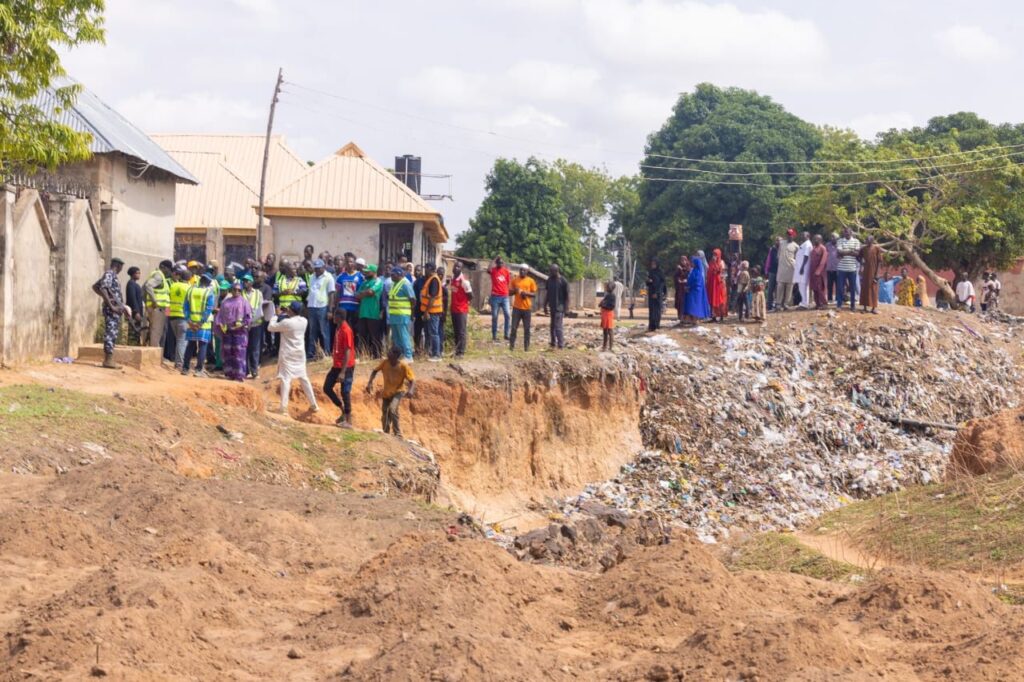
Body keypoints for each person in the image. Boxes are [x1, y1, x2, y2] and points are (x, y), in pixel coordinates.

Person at [268, 301, 319, 414]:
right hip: (300, 354)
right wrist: (287, 313)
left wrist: (276, 315)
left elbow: (270, 327)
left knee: (286, 379)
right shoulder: (304, 321)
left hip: (288, 354)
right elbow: (293, 318)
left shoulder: (287, 322)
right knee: (304, 378)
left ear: (291, 310)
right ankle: (314, 405)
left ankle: (283, 408)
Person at [366, 346, 415, 437]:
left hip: (398, 391)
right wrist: (369, 383)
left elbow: (412, 380)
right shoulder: (385, 363)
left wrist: (411, 390)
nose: (388, 353)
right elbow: (375, 371)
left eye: (390, 352)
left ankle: (398, 433)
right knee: (385, 413)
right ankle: (386, 433)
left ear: (396, 355)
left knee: (392, 409)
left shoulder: (403, 366)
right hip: (386, 392)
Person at [93, 257, 132, 369]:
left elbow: (96, 287)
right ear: (118, 265)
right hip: (112, 310)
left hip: (116, 309)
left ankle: (109, 359)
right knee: (111, 333)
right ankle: (108, 360)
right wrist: (111, 305)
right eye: (121, 267)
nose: (121, 269)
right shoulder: (109, 274)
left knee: (113, 333)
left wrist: (116, 303)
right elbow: (103, 288)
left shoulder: (111, 275)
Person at [214, 281, 252, 382]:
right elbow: (220, 316)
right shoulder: (225, 302)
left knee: (239, 353)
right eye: (234, 289)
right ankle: (230, 373)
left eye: (239, 290)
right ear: (231, 290)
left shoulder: (244, 302)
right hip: (228, 331)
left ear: (241, 291)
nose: (236, 291)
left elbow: (248, 317)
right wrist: (221, 325)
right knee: (228, 352)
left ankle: (239, 375)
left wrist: (241, 325)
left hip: (240, 332)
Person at [325, 307, 356, 427]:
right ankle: (342, 410)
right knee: (327, 387)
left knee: (345, 391)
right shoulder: (338, 328)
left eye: (334, 315)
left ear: (339, 317)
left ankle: (349, 421)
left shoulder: (346, 330)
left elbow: (348, 351)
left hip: (346, 366)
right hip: (337, 365)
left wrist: (343, 372)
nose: (333, 317)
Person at [181, 273, 216, 377]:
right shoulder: (209, 293)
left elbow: (185, 307)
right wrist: (200, 323)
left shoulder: (190, 290)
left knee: (190, 345)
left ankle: (185, 368)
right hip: (203, 325)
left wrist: (189, 321)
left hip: (191, 323)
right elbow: (208, 309)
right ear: (208, 282)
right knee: (203, 346)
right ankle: (198, 370)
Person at [304, 258, 335, 360]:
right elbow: (311, 292)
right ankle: (311, 353)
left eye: (318, 268)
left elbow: (331, 294)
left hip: (323, 307)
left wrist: (330, 310)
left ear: (323, 267)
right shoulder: (312, 276)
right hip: (312, 306)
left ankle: (326, 353)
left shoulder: (328, 277)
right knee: (312, 332)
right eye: (315, 268)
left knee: (324, 331)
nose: (316, 270)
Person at [387, 267, 416, 361]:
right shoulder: (394, 284)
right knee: (396, 337)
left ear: (399, 275)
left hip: (402, 314)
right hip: (394, 314)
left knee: (404, 336)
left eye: (393, 275)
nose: (391, 276)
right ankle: (400, 354)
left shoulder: (406, 284)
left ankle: (408, 355)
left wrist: (412, 314)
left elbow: (413, 300)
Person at [142, 260, 172, 348]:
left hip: (163, 309)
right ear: (163, 267)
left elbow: (143, 290)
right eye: (169, 269)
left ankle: (158, 353)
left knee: (157, 331)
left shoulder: (161, 277)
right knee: (156, 333)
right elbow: (148, 286)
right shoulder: (159, 275)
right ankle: (154, 353)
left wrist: (148, 304)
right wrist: (154, 302)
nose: (169, 272)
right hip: (159, 308)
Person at [356, 264, 384, 358]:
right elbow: (357, 295)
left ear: (374, 272)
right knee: (362, 335)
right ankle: (364, 354)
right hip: (363, 312)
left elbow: (371, 292)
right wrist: (366, 293)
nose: (365, 273)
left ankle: (376, 355)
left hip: (373, 312)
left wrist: (364, 293)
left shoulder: (378, 281)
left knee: (374, 335)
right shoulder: (364, 282)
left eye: (368, 272)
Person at [509, 265, 537, 351]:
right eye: (521, 270)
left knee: (527, 329)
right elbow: (509, 293)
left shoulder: (531, 281)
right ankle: (511, 346)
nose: (522, 272)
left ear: (527, 271)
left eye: (524, 270)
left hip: (527, 308)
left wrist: (526, 293)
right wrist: (515, 291)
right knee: (514, 328)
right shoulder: (514, 280)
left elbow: (534, 294)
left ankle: (526, 347)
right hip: (516, 308)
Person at [241, 274, 264, 378]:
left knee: (255, 348)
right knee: (245, 347)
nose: (245, 283)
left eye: (247, 281)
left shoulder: (258, 293)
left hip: (256, 324)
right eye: (244, 281)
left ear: (251, 282)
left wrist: (254, 319)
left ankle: (254, 371)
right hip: (244, 324)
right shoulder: (241, 293)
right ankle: (245, 370)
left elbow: (261, 307)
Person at [167, 267, 190, 370]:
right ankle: (179, 364)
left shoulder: (173, 285)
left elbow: (168, 300)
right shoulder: (189, 288)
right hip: (183, 317)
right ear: (189, 278)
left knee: (178, 340)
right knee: (182, 340)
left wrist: (167, 315)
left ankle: (178, 361)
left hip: (172, 316)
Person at [420, 263, 444, 361]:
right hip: (430, 311)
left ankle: (436, 354)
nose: (425, 270)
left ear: (430, 269)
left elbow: (432, 298)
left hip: (433, 311)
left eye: (426, 268)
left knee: (434, 333)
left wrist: (427, 311)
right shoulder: (430, 279)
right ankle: (430, 352)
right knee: (429, 332)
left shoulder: (434, 280)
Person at [449, 263, 473, 358]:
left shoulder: (464, 281)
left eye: (458, 267)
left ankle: (461, 352)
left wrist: (463, 303)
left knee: (461, 331)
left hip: (461, 310)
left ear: (461, 269)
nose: (456, 268)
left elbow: (470, 296)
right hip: (454, 309)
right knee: (456, 331)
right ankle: (456, 350)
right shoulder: (452, 279)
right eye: (455, 266)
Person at [835, 228, 862, 311]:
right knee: (840, 288)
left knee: (853, 288)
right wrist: (851, 251)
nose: (846, 234)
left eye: (848, 232)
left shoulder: (856, 241)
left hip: (852, 268)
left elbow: (857, 253)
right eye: (845, 232)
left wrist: (844, 252)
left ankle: (852, 306)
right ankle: (839, 305)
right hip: (841, 268)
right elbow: (839, 252)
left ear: (851, 233)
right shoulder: (840, 241)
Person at [545, 264, 569, 349]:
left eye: (551, 271)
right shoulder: (549, 280)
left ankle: (560, 345)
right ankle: (553, 343)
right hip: (552, 307)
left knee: (558, 326)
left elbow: (567, 296)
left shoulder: (563, 281)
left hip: (560, 307)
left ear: (556, 271)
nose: (550, 273)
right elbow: (547, 294)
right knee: (552, 326)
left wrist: (566, 308)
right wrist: (545, 305)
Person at [488, 257, 512, 342]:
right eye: (498, 263)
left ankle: (506, 334)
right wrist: (493, 259)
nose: (500, 264)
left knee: (507, 315)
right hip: (495, 297)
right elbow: (488, 269)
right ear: (496, 263)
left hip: (505, 297)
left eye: (501, 263)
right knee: (494, 316)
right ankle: (494, 335)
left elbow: (508, 282)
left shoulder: (506, 271)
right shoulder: (493, 270)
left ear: (503, 263)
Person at [775, 230, 798, 311]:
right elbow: (778, 255)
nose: (789, 236)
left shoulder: (796, 246)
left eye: (791, 235)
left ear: (793, 236)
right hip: (781, 269)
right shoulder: (781, 243)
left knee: (789, 287)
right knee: (780, 286)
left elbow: (797, 258)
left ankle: (786, 304)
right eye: (788, 234)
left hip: (791, 269)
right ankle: (778, 304)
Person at [684, 255, 711, 323]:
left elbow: (697, 282)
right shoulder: (693, 271)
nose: (692, 264)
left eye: (693, 262)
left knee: (695, 306)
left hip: (696, 292)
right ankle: (692, 319)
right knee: (691, 305)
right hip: (691, 291)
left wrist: (690, 287)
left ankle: (695, 319)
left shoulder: (698, 272)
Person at [125, 266, 145, 346]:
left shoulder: (135, 284)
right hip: (134, 312)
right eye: (137, 273)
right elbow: (132, 298)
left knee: (137, 331)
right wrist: (136, 312)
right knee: (133, 331)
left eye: (139, 273)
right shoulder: (131, 284)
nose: (139, 275)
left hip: (138, 311)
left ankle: (135, 345)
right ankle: (132, 346)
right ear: (132, 274)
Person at [705, 249, 728, 322]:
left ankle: (721, 316)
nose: (714, 256)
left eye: (716, 254)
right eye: (713, 254)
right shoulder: (711, 262)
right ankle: (713, 317)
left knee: (720, 299)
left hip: (719, 284)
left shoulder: (722, 262)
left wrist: (716, 264)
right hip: (712, 284)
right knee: (713, 299)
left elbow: (723, 274)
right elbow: (709, 272)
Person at [645, 258, 667, 331]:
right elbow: (648, 283)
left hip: (657, 294)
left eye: (654, 264)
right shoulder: (651, 272)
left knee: (657, 310)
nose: (653, 265)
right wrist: (648, 281)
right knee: (651, 309)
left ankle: (657, 325)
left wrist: (656, 293)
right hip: (651, 293)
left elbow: (661, 284)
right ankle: (651, 326)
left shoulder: (660, 272)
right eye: (652, 264)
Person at [809, 235, 828, 309]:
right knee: (814, 288)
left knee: (820, 288)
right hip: (812, 272)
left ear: (820, 240)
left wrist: (818, 271)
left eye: (817, 239)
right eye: (814, 239)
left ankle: (824, 303)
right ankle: (817, 304)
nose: (815, 240)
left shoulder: (823, 248)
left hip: (819, 273)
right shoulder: (813, 248)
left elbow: (823, 261)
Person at [795, 231, 813, 309]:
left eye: (804, 235)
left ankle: (804, 303)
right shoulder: (805, 243)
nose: (802, 236)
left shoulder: (807, 244)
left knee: (803, 286)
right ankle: (804, 302)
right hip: (801, 268)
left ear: (808, 236)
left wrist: (802, 267)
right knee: (802, 286)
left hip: (804, 268)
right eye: (801, 235)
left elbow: (806, 256)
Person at [412, 264, 426, 352]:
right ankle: (417, 348)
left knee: (425, 331)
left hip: (423, 309)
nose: (416, 272)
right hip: (417, 309)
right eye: (415, 270)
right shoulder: (415, 281)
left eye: (418, 270)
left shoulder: (423, 281)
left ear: (421, 271)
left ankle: (424, 349)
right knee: (417, 331)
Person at [599, 281, 617, 351]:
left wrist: (603, 305)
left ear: (610, 287)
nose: (606, 288)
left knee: (609, 330)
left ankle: (610, 347)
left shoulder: (612, 295)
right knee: (605, 330)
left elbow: (611, 306)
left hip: (608, 314)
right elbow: (602, 302)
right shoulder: (608, 295)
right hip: (605, 314)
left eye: (607, 286)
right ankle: (605, 346)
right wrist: (602, 304)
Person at [674, 255, 690, 322]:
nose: (683, 262)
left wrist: (681, 270)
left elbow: (687, 275)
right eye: (682, 260)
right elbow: (675, 276)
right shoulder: (678, 268)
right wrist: (678, 279)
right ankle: (679, 316)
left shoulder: (688, 268)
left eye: (684, 260)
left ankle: (685, 316)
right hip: (679, 288)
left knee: (684, 302)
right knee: (679, 301)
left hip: (685, 288)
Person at [764, 238, 779, 311]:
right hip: (772, 271)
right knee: (770, 289)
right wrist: (766, 270)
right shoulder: (772, 249)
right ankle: (769, 305)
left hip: (780, 271)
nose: (778, 242)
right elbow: (768, 260)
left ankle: (777, 304)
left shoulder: (782, 249)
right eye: (777, 240)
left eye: (779, 240)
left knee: (778, 289)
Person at [825, 235, 839, 302]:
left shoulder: (840, 245)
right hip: (829, 268)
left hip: (838, 268)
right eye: (831, 236)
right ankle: (829, 299)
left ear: (837, 238)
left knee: (838, 284)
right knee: (829, 284)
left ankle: (837, 298)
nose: (832, 238)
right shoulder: (827, 245)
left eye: (833, 237)